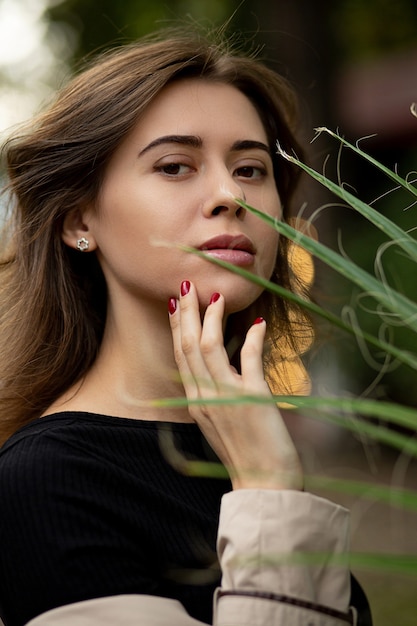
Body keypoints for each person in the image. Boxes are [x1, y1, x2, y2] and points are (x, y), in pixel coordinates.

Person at [0, 25, 372, 626]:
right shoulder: (43, 482)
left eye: (252, 169)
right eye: (176, 166)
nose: (231, 195)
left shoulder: (241, 445)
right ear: (77, 219)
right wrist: (268, 489)